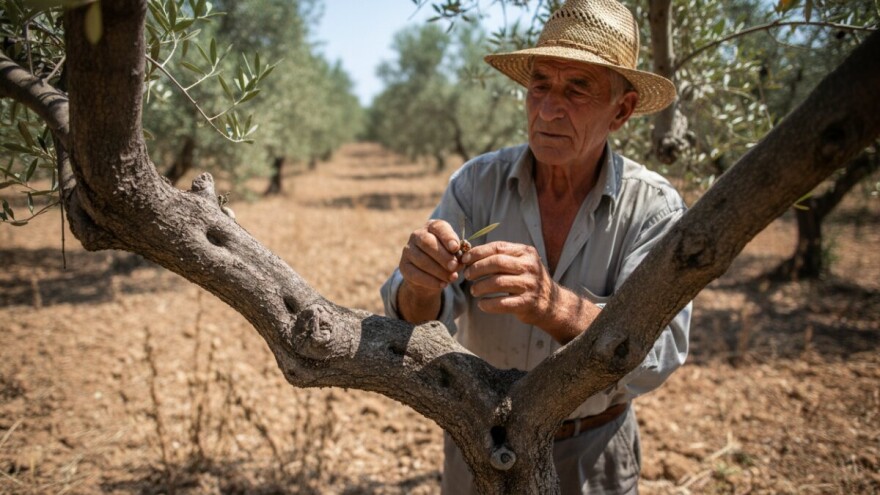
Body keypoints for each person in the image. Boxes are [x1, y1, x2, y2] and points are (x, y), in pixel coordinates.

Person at [380, 0, 691, 492]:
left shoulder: (653, 210)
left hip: (593, 456)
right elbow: (419, 318)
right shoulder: (475, 184)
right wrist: (419, 284)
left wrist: (556, 306)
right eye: (540, 84)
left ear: (623, 110)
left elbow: (660, 353)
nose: (548, 109)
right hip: (479, 446)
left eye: (577, 89)